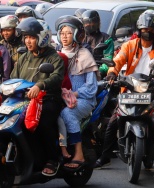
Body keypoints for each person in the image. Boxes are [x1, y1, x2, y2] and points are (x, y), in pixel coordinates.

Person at [94, 12, 154, 178]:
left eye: (151, 29)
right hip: (131, 89)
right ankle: (104, 157)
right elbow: (117, 61)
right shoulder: (129, 45)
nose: (147, 32)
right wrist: (112, 74)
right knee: (113, 121)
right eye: (144, 29)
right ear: (138, 30)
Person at [11, 17, 64, 176]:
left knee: (43, 123)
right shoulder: (24, 57)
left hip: (48, 99)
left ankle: (52, 159)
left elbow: (57, 76)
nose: (28, 41)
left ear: (42, 37)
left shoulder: (53, 57)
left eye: (32, 37)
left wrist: (40, 85)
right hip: (25, 101)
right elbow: (13, 78)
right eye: (26, 37)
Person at [55, 15, 98, 170]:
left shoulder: (84, 54)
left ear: (75, 34)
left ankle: (78, 152)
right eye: (62, 33)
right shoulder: (55, 54)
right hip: (59, 97)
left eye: (68, 33)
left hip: (83, 100)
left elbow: (91, 87)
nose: (64, 36)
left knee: (67, 114)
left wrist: (73, 94)